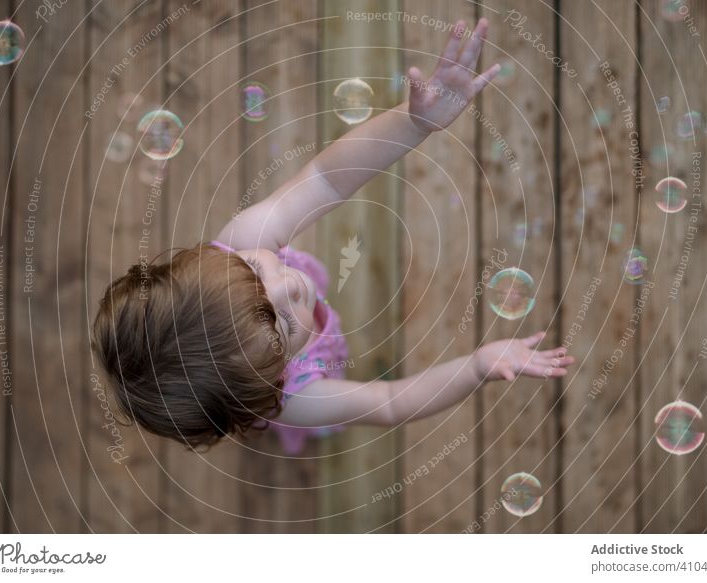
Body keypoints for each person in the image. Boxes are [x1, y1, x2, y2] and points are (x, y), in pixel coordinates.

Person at [92, 18, 574, 455]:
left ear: (220, 259)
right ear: (268, 382)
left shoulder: (243, 238)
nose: (291, 285)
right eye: (282, 322)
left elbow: (325, 177)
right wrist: (475, 366)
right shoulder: (293, 398)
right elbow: (385, 402)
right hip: (304, 387)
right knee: (325, 418)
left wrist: (413, 124)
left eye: (257, 271)